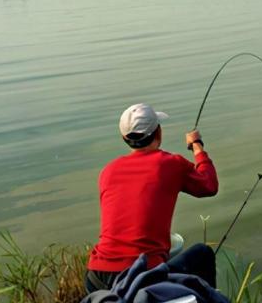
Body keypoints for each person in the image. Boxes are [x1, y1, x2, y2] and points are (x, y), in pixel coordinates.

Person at [85, 103, 219, 293]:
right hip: (143, 275)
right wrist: (197, 146)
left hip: (96, 277)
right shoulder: (171, 164)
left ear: (124, 138)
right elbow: (209, 185)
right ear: (159, 133)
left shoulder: (108, 171)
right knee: (202, 254)